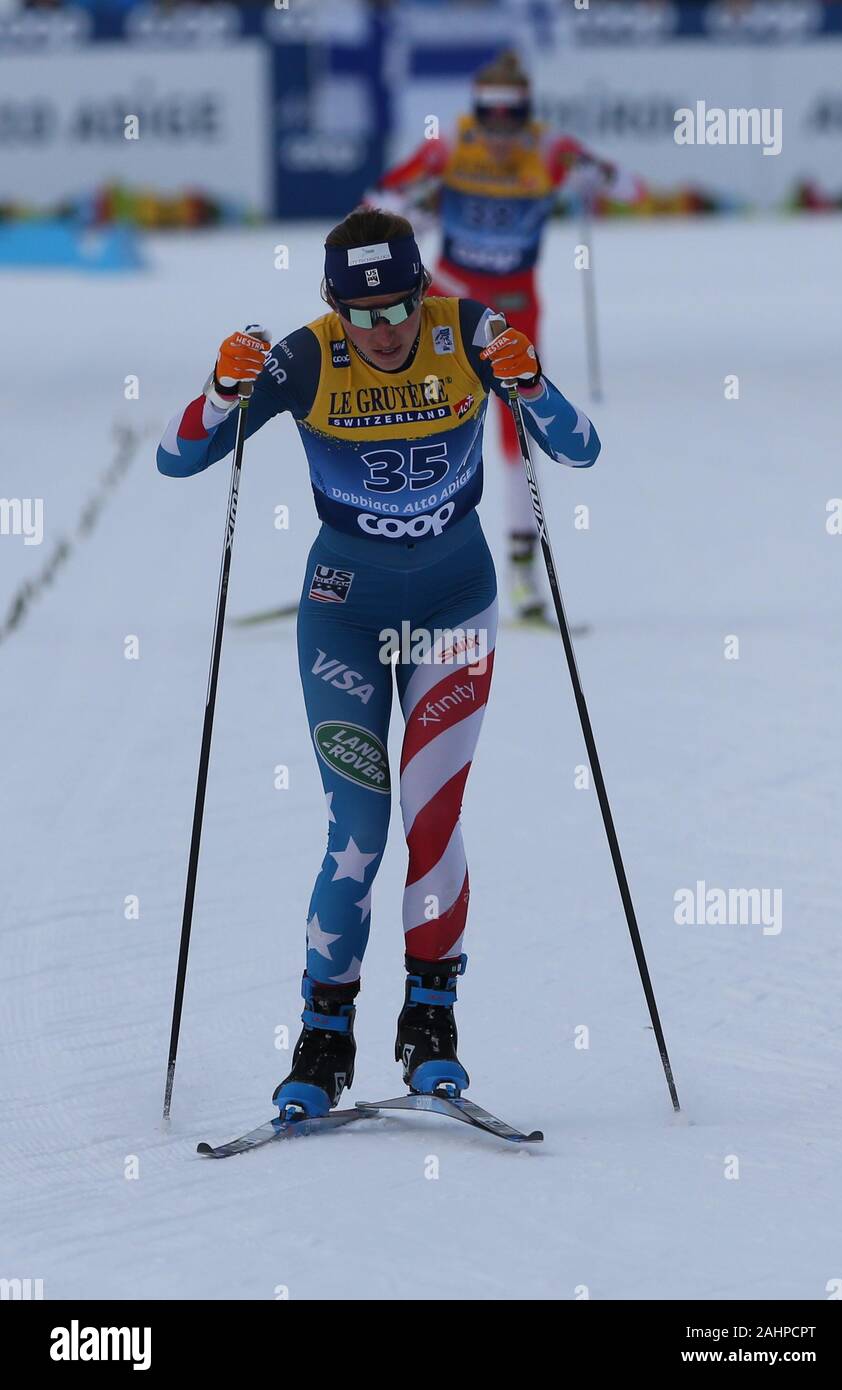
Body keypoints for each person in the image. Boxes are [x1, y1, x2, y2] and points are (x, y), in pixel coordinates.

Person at [157, 207, 600, 1118]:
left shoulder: (471, 333)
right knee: (358, 830)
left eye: (398, 307)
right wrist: (219, 389)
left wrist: (531, 382)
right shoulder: (309, 357)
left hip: (453, 610)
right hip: (345, 618)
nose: (384, 331)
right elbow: (177, 458)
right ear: (332, 306)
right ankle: (324, 1040)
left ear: (421, 289)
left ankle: (431, 1025)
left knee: (430, 817)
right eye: (361, 316)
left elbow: (579, 446)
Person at [369, 49, 637, 622]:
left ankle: (521, 575)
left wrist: (601, 178)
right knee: (421, 420)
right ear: (476, 114)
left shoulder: (550, 149)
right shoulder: (448, 146)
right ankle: (391, 562)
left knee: (516, 432)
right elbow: (375, 205)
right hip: (446, 301)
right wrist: (408, 211)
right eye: (488, 119)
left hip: (513, 309)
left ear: (526, 115)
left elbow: (633, 190)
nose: (497, 135)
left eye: (510, 120)